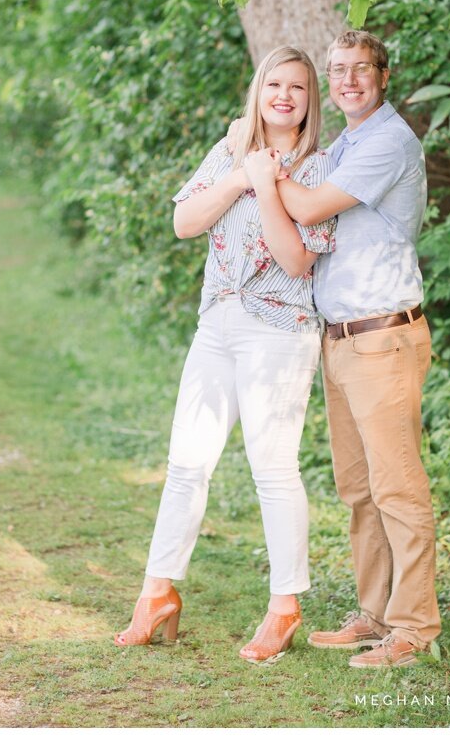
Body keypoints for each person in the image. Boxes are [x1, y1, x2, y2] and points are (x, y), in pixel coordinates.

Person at [114, 45, 336, 664]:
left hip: (280, 330)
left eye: (296, 87)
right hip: (217, 323)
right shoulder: (230, 150)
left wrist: (267, 184)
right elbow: (185, 221)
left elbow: (297, 260)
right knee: (187, 462)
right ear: (259, 92)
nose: (284, 96)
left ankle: (284, 607)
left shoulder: (319, 168)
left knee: (273, 469)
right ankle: (156, 593)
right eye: (274, 85)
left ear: (308, 100)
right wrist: (243, 173)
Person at [269, 30, 438, 669]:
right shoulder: (348, 142)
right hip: (341, 342)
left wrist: (260, 170)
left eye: (360, 69)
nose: (347, 81)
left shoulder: (389, 141)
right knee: (360, 490)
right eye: (337, 70)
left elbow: (310, 208)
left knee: (397, 489)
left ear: (383, 75)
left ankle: (414, 627)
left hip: (382, 340)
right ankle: (374, 615)